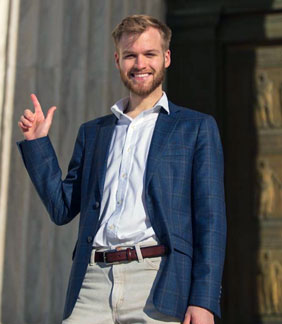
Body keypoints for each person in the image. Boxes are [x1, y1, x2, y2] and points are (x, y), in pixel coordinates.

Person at [17, 14, 226, 324]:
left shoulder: (195, 128)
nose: (139, 63)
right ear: (117, 60)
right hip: (92, 283)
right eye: (130, 55)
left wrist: (204, 300)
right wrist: (38, 144)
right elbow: (62, 208)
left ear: (166, 58)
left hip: (158, 281)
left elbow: (210, 219)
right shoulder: (94, 132)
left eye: (149, 54)